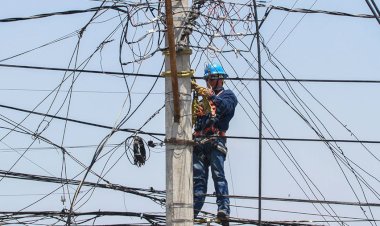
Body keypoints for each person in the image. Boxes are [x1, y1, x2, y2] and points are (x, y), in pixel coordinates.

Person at [192, 63, 238, 223]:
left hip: (215, 140)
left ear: (220, 79)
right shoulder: (202, 99)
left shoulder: (228, 95)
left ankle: (223, 209)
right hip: (198, 143)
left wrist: (211, 96)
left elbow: (226, 108)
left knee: (218, 176)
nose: (209, 81)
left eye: (212, 78)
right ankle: (191, 213)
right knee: (198, 181)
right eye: (208, 78)